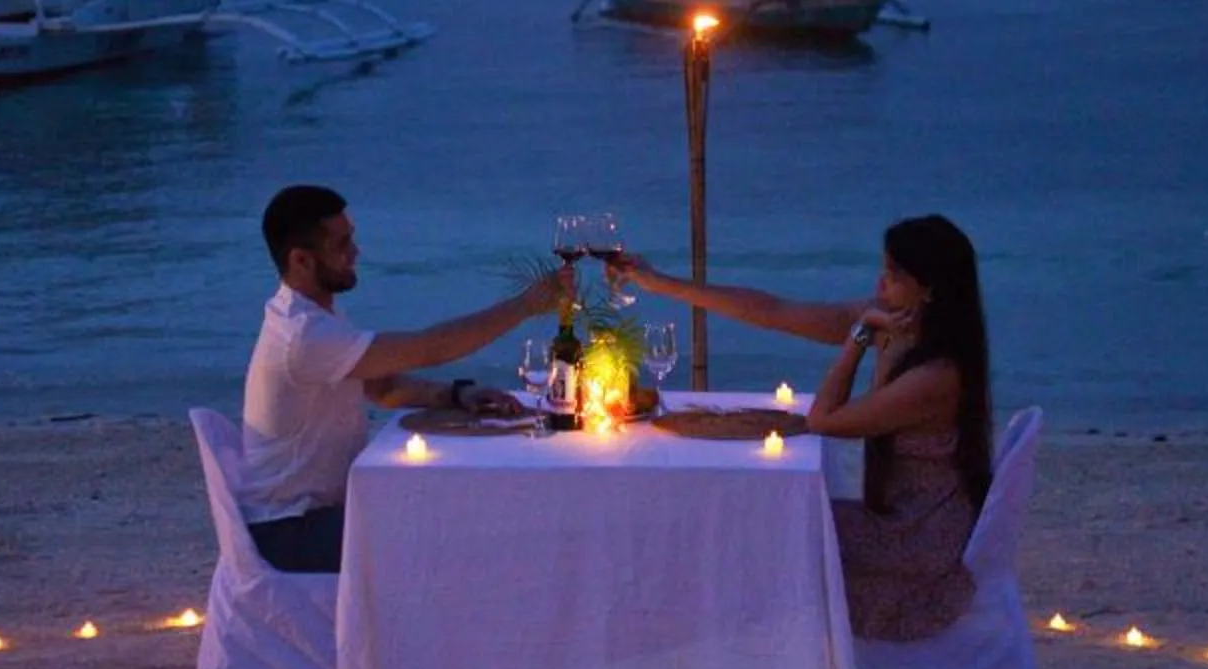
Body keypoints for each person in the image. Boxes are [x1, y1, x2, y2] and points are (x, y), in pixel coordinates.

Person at [618, 215, 994, 642]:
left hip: (914, 539)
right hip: (889, 516)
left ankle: (757, 665)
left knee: (764, 528)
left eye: (892, 273)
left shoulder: (937, 375)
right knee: (758, 522)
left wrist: (858, 337)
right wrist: (660, 283)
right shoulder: (894, 325)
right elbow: (774, 312)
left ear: (928, 289)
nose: (879, 284)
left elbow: (822, 420)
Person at [241, 184, 569, 572]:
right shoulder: (302, 335)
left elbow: (383, 387)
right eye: (342, 245)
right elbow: (429, 348)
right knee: (454, 534)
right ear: (301, 260)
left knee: (455, 512)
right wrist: (528, 305)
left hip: (318, 512)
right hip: (292, 530)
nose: (356, 253)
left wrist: (457, 395)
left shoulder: (312, 317)